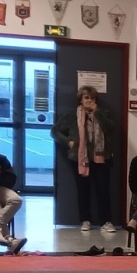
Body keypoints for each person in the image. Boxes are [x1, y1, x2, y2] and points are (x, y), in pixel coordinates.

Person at [52, 85, 117, 232]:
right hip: (79, 158)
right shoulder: (71, 115)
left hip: (101, 158)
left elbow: (111, 128)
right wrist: (68, 142)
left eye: (92, 98)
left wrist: (97, 112)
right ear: (80, 99)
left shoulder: (103, 113)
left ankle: (106, 221)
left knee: (103, 190)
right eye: (86, 97)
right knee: (83, 190)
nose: (89, 100)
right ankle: (85, 220)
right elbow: (55, 131)